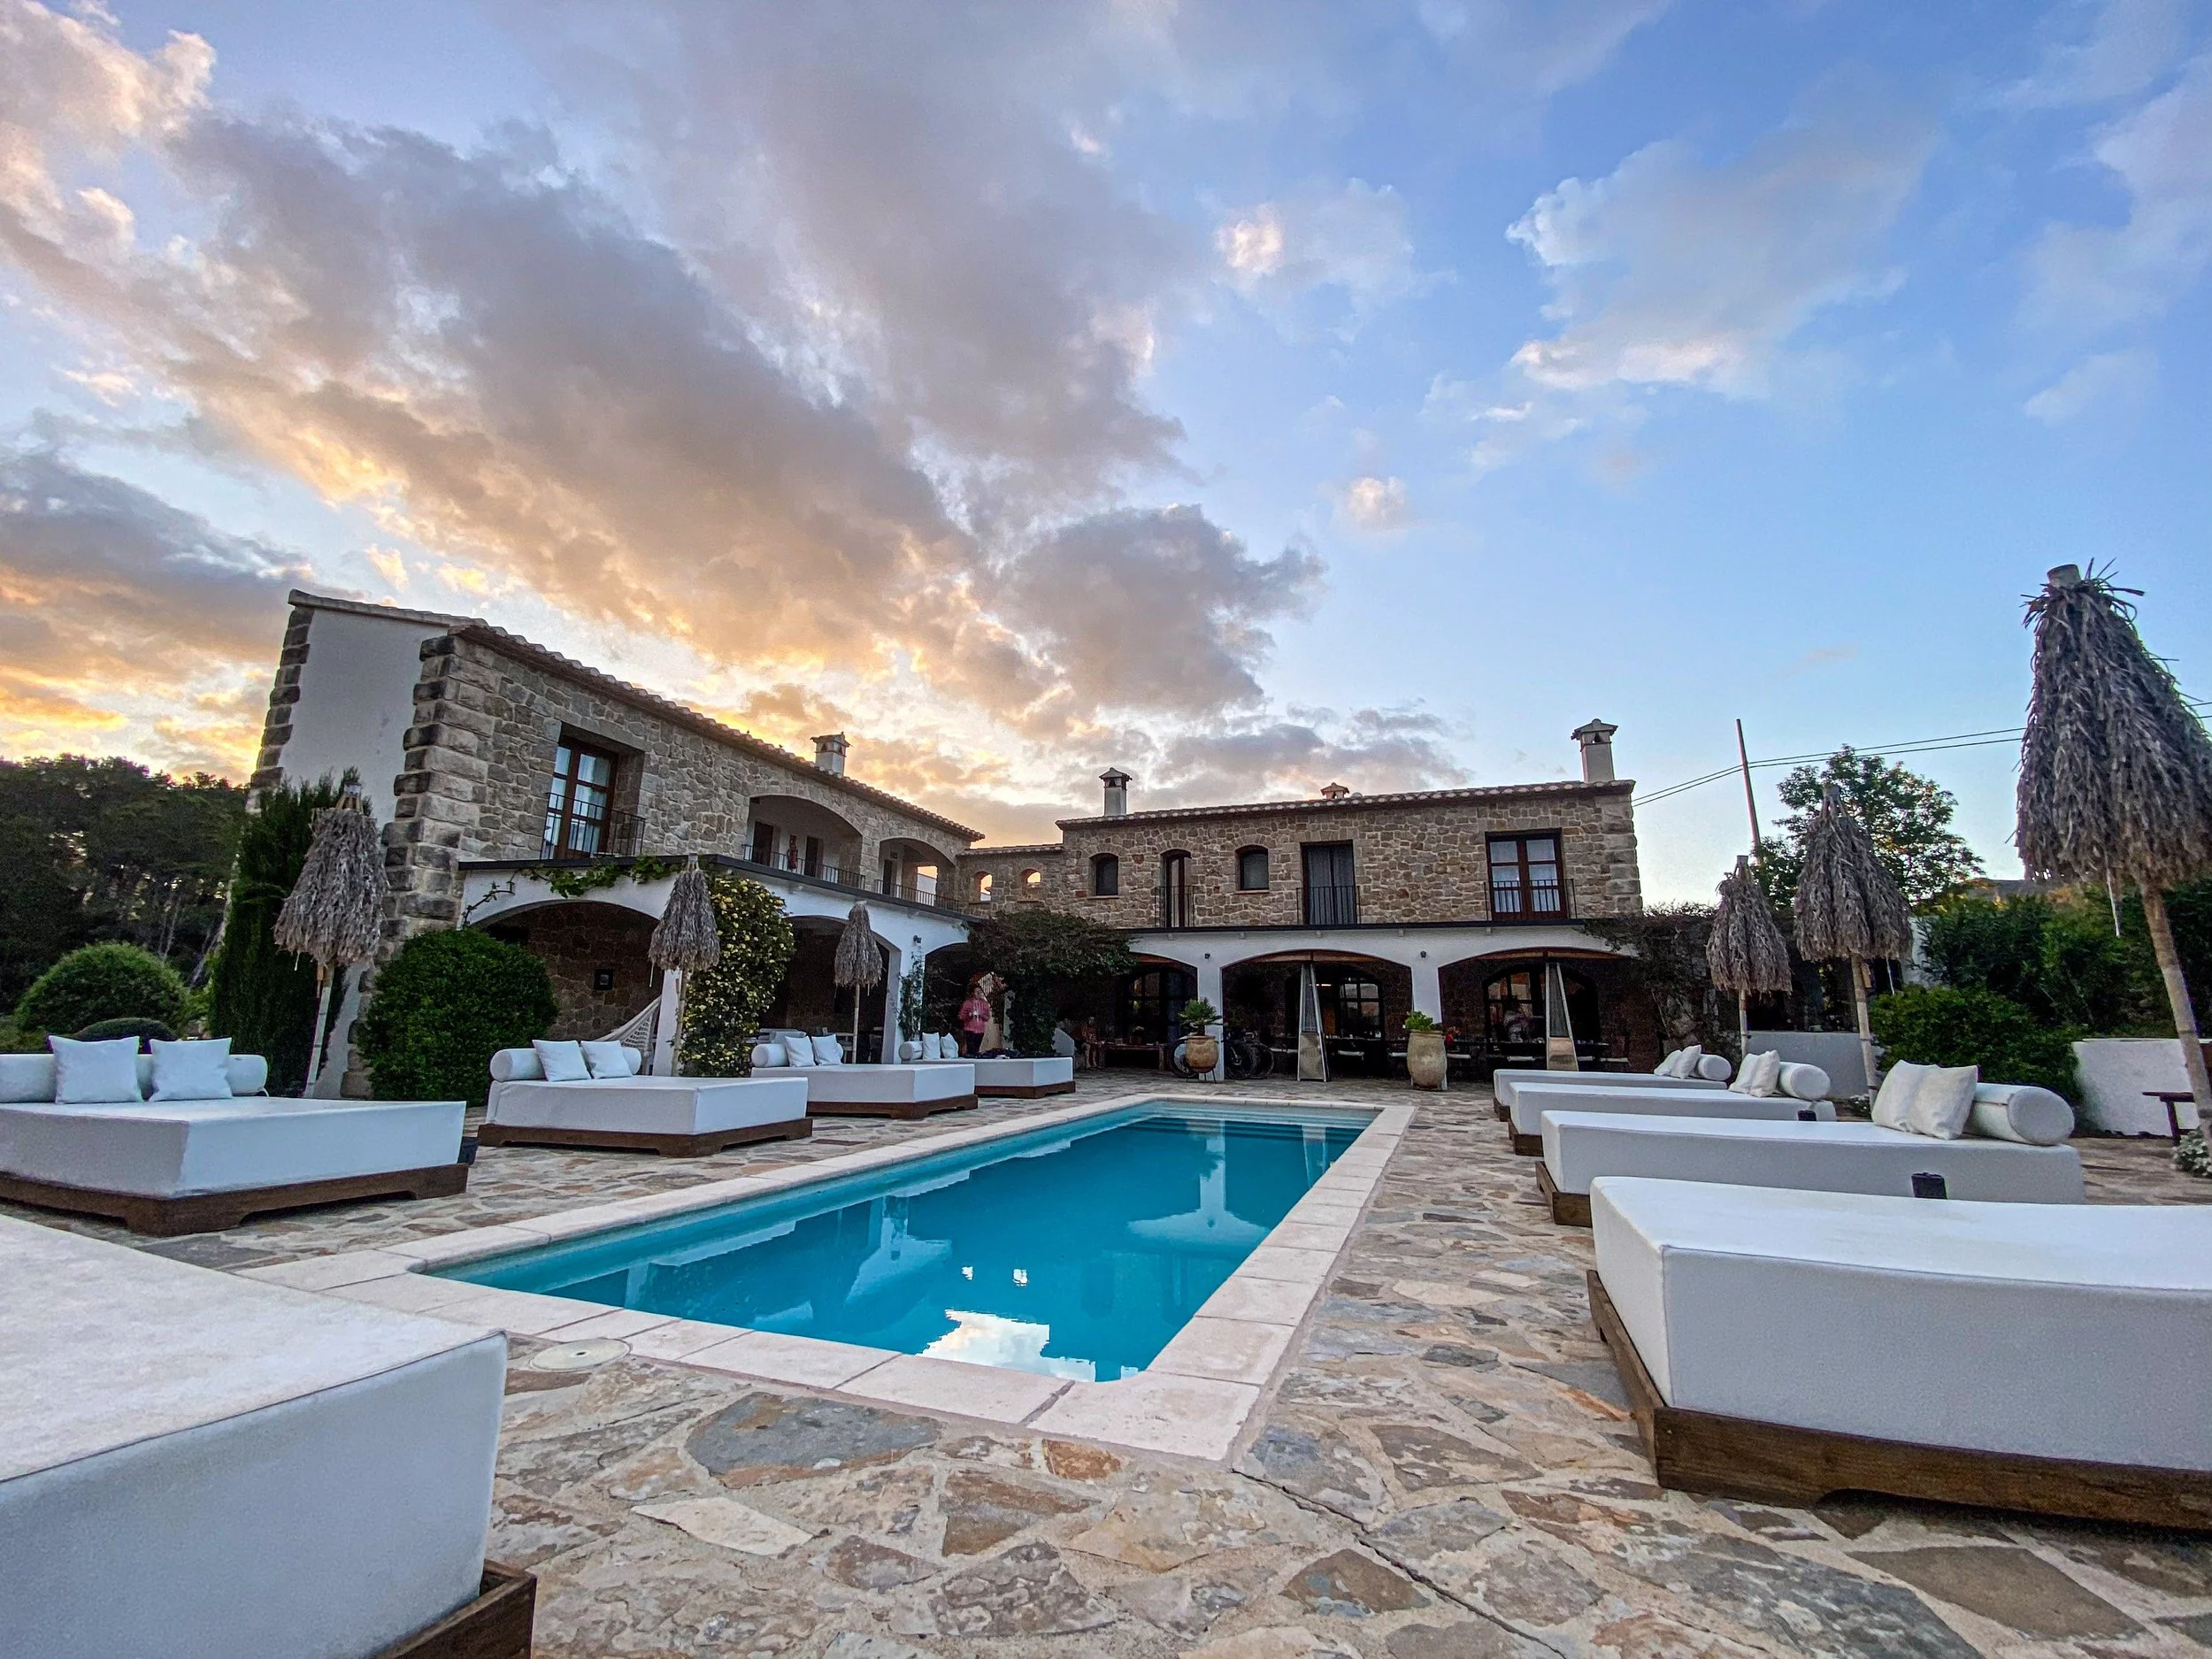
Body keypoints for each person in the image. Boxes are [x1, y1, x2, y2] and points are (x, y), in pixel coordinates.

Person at [958, 983, 990, 1056]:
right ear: (973, 993)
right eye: (976, 992)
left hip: (980, 1030)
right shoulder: (967, 1003)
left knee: (976, 1048)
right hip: (970, 1029)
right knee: (971, 1049)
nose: (978, 993)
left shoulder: (984, 1003)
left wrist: (982, 1015)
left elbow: (987, 1017)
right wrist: (970, 1015)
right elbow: (961, 1016)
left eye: (980, 992)